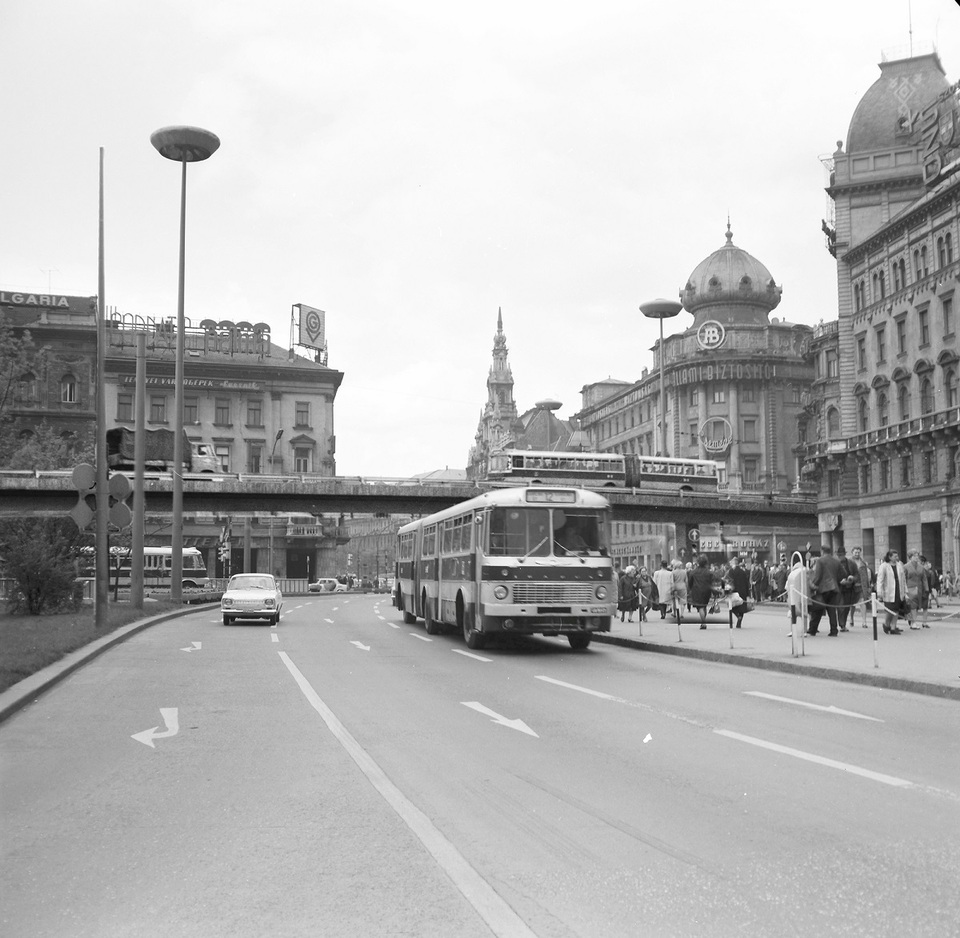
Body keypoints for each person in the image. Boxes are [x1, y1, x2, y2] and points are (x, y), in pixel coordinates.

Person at [807, 544, 842, 636]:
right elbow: (843, 574)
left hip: (823, 588)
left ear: (822, 551)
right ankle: (834, 630)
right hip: (834, 588)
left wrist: (812, 585)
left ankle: (812, 629)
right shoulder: (836, 561)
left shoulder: (820, 560)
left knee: (817, 609)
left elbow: (818, 576)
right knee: (832, 610)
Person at [876, 549, 906, 634]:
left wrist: (905, 591)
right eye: (895, 556)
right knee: (890, 610)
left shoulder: (899, 565)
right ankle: (886, 624)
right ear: (889, 557)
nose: (897, 558)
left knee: (896, 609)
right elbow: (880, 579)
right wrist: (879, 591)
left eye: (897, 556)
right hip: (888, 591)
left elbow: (903, 579)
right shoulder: (884, 566)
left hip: (898, 590)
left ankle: (893, 627)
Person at [687, 554, 715, 629]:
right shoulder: (709, 572)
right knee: (704, 605)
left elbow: (690, 582)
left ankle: (703, 622)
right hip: (707, 591)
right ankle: (703, 620)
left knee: (700, 607)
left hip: (696, 591)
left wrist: (690, 589)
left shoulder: (693, 572)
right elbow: (712, 581)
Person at [903, 549, 928, 629]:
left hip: (919, 589)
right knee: (913, 606)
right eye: (914, 556)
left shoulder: (921, 567)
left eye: (917, 555)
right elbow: (903, 579)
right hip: (910, 588)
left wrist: (926, 588)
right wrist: (904, 589)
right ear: (910, 557)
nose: (916, 557)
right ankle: (913, 622)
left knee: (916, 606)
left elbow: (924, 579)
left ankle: (913, 621)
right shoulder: (906, 566)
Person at [835, 546, 858, 632]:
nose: (840, 556)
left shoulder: (851, 563)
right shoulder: (835, 563)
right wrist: (839, 581)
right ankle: (842, 625)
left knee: (847, 607)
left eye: (841, 555)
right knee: (841, 607)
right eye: (839, 555)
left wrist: (852, 579)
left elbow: (857, 575)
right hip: (839, 588)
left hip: (849, 588)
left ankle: (843, 623)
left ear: (845, 554)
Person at [724, 555, 751, 628]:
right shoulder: (743, 572)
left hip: (734, 591)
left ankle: (738, 616)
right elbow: (746, 583)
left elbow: (728, 582)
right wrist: (748, 594)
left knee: (732, 606)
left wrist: (726, 591)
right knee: (742, 607)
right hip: (742, 592)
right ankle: (739, 622)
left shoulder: (730, 572)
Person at [850, 546, 873, 628]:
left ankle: (864, 622)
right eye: (855, 552)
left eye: (858, 552)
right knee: (852, 604)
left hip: (862, 586)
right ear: (852, 552)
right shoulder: (849, 562)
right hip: (852, 586)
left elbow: (867, 575)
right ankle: (851, 618)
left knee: (862, 602)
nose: (857, 554)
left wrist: (868, 586)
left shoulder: (863, 562)